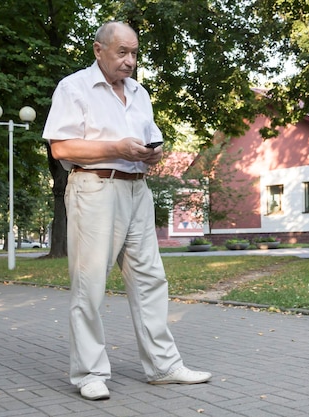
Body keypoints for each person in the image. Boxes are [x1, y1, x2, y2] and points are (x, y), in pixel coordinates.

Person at [42, 21, 211, 401]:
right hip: (95, 189)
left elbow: (151, 143)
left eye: (134, 53)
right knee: (90, 285)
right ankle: (89, 372)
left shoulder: (139, 93)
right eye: (122, 52)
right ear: (98, 50)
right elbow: (61, 148)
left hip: (137, 190)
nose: (130, 61)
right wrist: (117, 147)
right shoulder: (74, 87)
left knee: (151, 280)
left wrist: (154, 153)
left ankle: (163, 366)